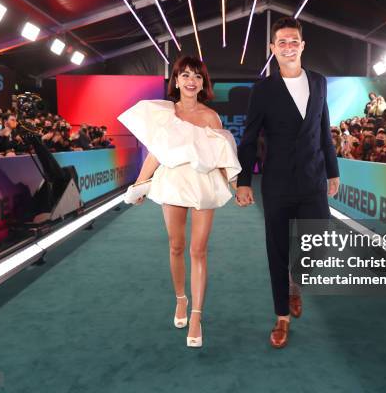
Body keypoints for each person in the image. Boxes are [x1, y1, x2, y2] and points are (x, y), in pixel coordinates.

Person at [118, 56, 241, 348]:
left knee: (199, 251)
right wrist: (139, 186)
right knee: (176, 246)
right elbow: (155, 154)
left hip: (203, 184)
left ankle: (197, 316)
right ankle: (181, 300)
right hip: (172, 182)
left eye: (197, 77)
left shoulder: (211, 117)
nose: (190, 81)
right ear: (175, 80)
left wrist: (238, 186)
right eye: (185, 75)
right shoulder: (165, 113)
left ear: (203, 83)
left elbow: (222, 156)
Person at [236, 17, 339, 349]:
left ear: (302, 45)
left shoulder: (320, 82)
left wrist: (333, 171)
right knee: (277, 250)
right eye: (281, 42)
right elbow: (249, 139)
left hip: (313, 179)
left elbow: (324, 131)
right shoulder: (263, 89)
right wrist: (243, 181)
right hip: (277, 183)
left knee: (318, 241)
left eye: (293, 41)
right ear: (273, 49)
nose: (288, 46)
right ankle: (281, 316)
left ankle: (296, 284)